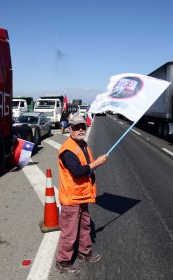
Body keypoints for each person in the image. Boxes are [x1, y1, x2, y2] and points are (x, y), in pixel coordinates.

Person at [55, 113, 108, 275]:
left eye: (82, 127)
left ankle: (84, 252)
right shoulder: (68, 150)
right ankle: (62, 261)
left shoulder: (82, 144)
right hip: (72, 198)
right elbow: (78, 171)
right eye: (76, 127)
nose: (80, 130)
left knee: (85, 225)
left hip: (82, 195)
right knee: (69, 232)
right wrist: (97, 163)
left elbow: (86, 167)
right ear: (70, 129)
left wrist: (94, 165)